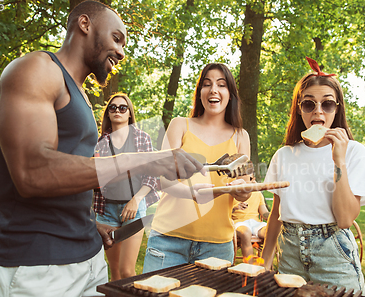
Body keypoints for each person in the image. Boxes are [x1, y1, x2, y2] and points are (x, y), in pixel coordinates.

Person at [0, 1, 203, 297]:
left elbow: (72, 170)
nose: (120, 52)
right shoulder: (36, 69)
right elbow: (33, 174)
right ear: (85, 24)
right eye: (116, 38)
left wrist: (88, 220)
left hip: (90, 257)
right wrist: (149, 158)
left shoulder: (83, 98)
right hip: (36, 265)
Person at [261, 57, 365, 296]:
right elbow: (277, 213)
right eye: (309, 104)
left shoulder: (355, 152)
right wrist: (265, 260)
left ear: (337, 109)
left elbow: (345, 219)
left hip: (334, 255)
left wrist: (339, 161)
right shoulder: (284, 155)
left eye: (327, 104)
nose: (318, 111)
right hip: (290, 255)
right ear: (299, 109)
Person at [142, 63, 251, 272]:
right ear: (200, 92)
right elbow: (163, 179)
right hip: (168, 240)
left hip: (217, 247)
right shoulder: (180, 125)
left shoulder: (241, 136)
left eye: (221, 85)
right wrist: (189, 193)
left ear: (230, 94)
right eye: (207, 84)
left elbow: (244, 190)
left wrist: (240, 188)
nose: (213, 90)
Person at [93, 93, 159, 281]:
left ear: (129, 113)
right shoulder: (99, 143)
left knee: (127, 271)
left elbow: (152, 174)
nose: (117, 111)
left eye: (123, 108)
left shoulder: (142, 138)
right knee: (114, 272)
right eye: (112, 108)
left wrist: (136, 200)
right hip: (106, 211)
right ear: (108, 114)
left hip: (134, 208)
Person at [232, 170, 270, 258]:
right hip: (239, 222)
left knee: (269, 232)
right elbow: (227, 213)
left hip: (255, 223)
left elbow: (264, 213)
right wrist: (236, 207)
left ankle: (265, 266)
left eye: (247, 179)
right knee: (246, 233)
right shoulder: (233, 193)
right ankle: (250, 265)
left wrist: (274, 217)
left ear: (253, 179)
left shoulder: (258, 193)